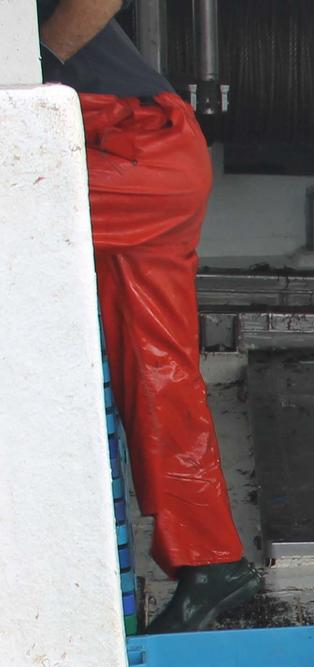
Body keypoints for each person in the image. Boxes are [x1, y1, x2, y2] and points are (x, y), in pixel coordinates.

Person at [39, 0, 261, 631]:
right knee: (158, 373)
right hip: (153, 153)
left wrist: (39, 60)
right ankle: (212, 563)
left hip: (135, 142)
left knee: (14, 208)